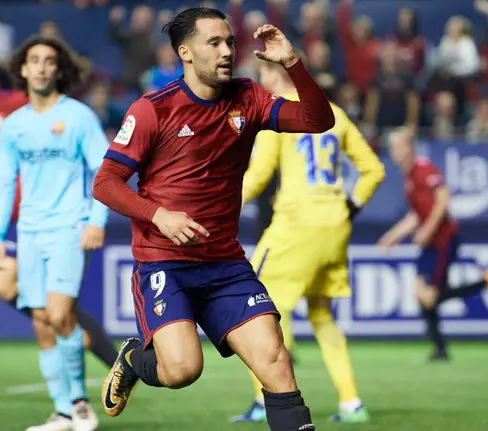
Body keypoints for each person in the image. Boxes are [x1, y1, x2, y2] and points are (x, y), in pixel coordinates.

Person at [94, 8, 336, 431]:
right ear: (185, 52)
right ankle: (134, 356)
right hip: (165, 263)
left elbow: (319, 120)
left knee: (276, 363)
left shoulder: (249, 97)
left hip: (225, 264)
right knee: (184, 369)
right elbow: (106, 183)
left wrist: (292, 63)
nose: (227, 51)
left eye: (230, 42)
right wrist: (159, 216)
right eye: (214, 43)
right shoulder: (154, 109)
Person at [0, 48, 118, 368]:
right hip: (12, 222)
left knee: (38, 303)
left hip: (49, 214)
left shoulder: (11, 105)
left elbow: (50, 113)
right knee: (26, 297)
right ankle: (99, 353)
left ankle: (93, 356)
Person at [231, 59, 386, 424]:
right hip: (335, 225)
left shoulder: (278, 117)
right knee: (322, 316)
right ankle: (351, 402)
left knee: (254, 309)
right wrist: (350, 205)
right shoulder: (335, 114)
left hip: (297, 223)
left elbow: (257, 178)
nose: (260, 82)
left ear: (276, 76)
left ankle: (262, 399)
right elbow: (374, 170)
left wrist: (216, 205)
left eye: (264, 75)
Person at [0, 36, 109, 431]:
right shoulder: (14, 125)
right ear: (22, 69)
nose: (40, 67)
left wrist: (97, 220)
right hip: (30, 232)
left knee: (59, 314)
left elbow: (105, 173)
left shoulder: (77, 116)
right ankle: (60, 411)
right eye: (33, 61)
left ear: (59, 69)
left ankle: (78, 404)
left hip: (69, 228)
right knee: (41, 322)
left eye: (48, 61)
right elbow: (4, 183)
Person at [378, 127, 488, 361]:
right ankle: (440, 348)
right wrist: (393, 235)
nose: (394, 152)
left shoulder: (423, 169)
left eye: (398, 146)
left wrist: (427, 229)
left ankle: (484, 282)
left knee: (428, 297)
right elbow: (416, 214)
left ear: (410, 147)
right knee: (421, 294)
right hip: (431, 242)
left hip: (443, 239)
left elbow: (443, 199)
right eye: (393, 147)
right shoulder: (409, 176)